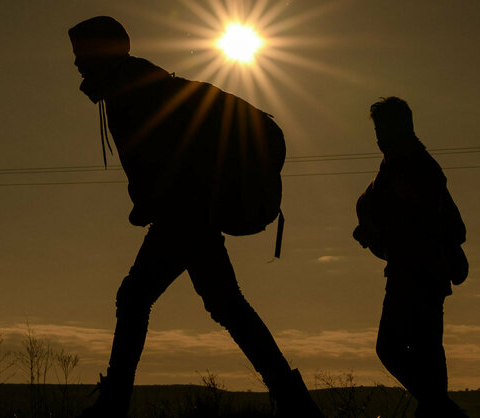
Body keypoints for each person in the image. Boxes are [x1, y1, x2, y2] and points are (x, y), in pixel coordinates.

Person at [68, 16, 322, 418]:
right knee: (226, 306)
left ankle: (114, 405)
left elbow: (165, 158)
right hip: (189, 211)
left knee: (136, 297)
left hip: (185, 213)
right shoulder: (136, 85)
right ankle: (295, 400)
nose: (77, 65)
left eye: (81, 55)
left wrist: (155, 205)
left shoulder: (132, 92)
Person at [353, 97, 468, 417]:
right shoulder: (400, 164)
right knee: (426, 354)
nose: (378, 137)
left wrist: (379, 232)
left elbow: (422, 222)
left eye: (383, 128)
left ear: (400, 127)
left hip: (414, 272)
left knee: (391, 349)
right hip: (423, 272)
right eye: (377, 130)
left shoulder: (412, 166)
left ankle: (444, 411)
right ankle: (437, 409)